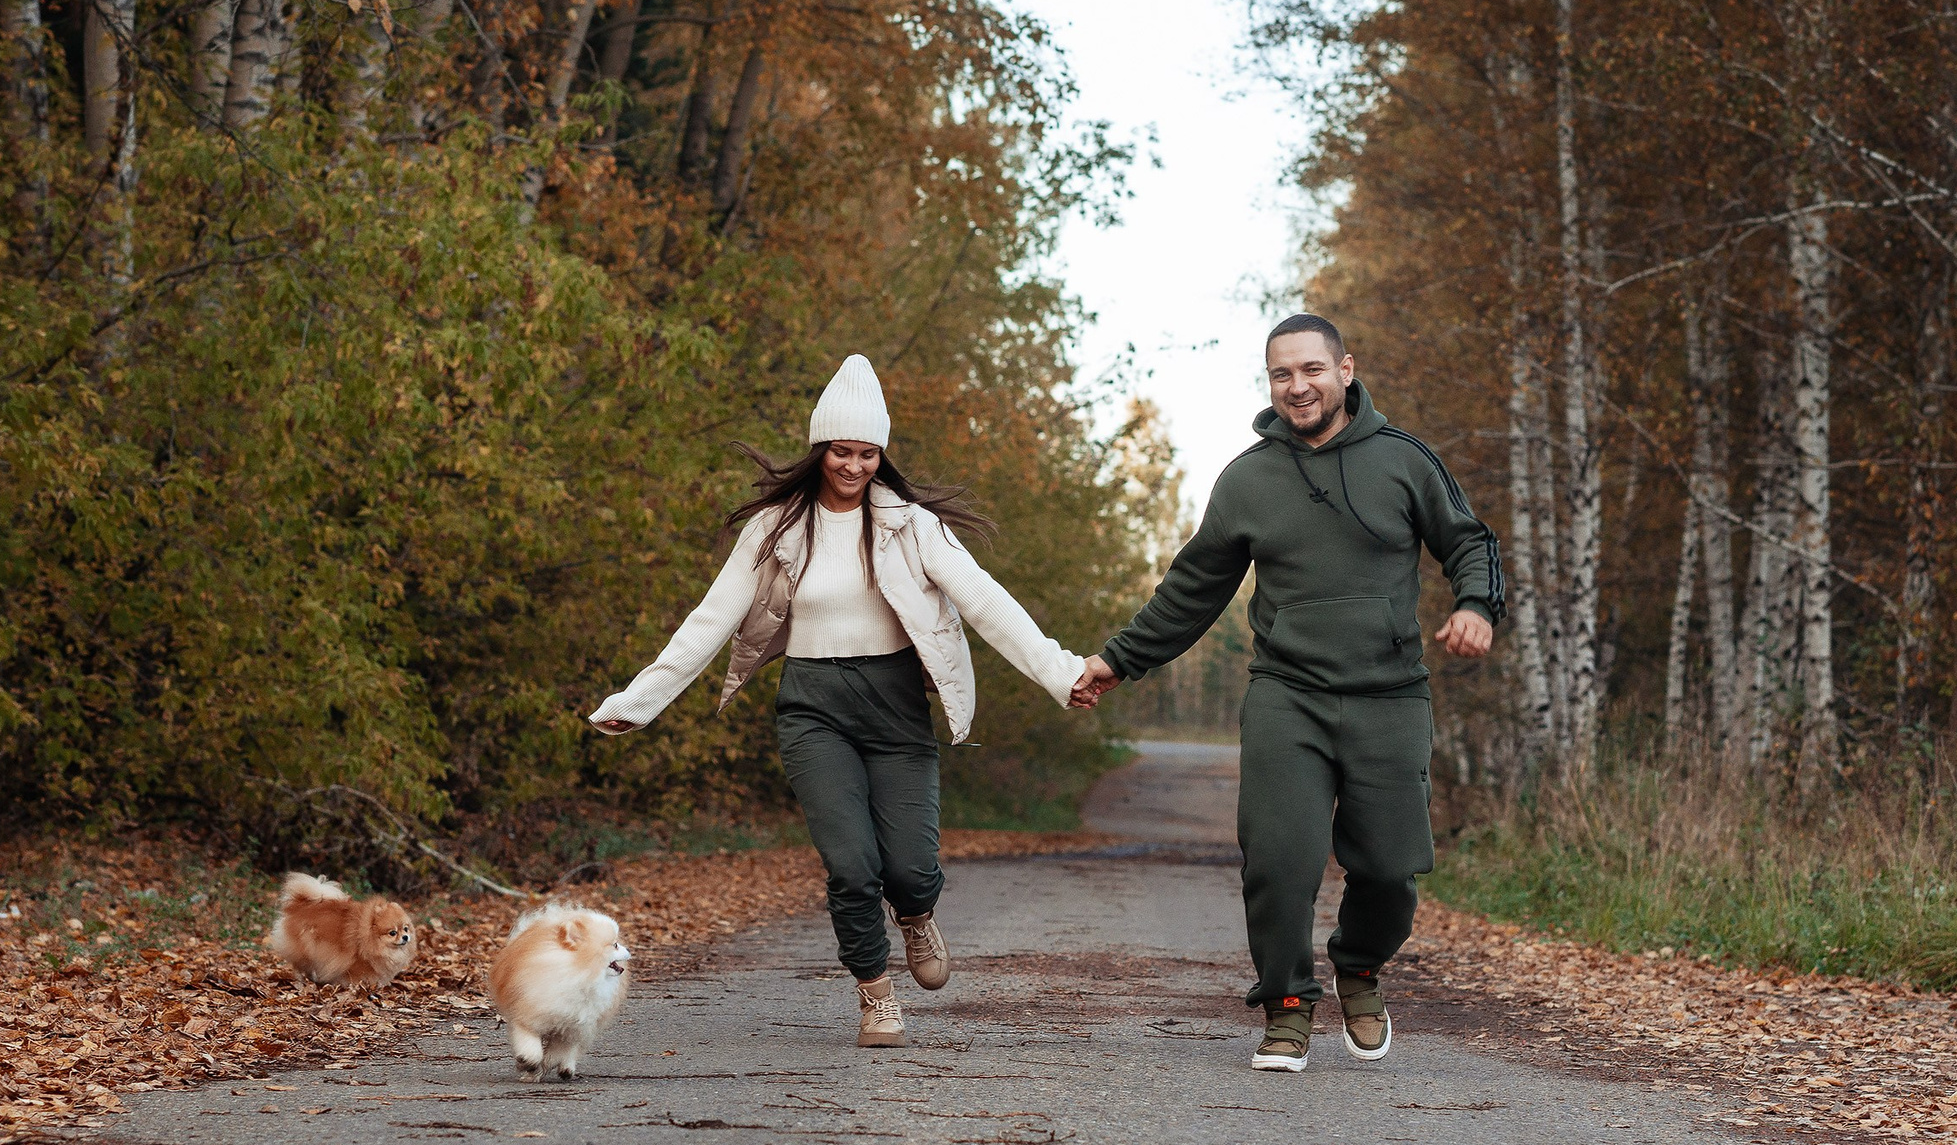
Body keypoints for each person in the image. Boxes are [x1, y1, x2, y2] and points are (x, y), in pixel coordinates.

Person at [589, 356, 1088, 1048]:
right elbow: (710, 618)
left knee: (910, 866)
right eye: (841, 451)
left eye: (867, 452)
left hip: (894, 705)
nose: (853, 465)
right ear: (819, 449)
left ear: (881, 453)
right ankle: (876, 994)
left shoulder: (912, 526)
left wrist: (1061, 674)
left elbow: (986, 602)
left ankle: (916, 913)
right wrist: (640, 700)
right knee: (851, 865)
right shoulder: (774, 530)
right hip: (812, 707)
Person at [1072, 314, 1501, 1069]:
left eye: (1310, 369)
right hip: (1287, 694)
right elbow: (1192, 589)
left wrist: (1474, 605)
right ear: (1269, 382)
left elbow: (1470, 540)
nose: (1297, 385)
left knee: (1389, 867)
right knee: (1278, 857)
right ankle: (1288, 1004)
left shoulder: (1404, 462)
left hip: (1389, 695)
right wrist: (1118, 659)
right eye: (1281, 373)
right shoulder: (1247, 479)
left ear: (1344, 369)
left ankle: (1360, 965)